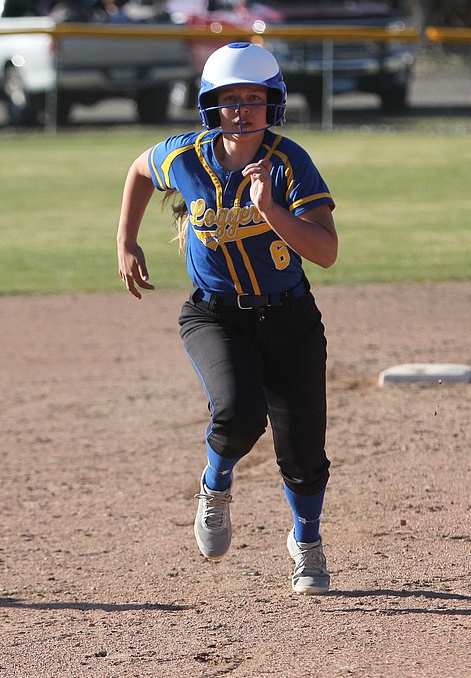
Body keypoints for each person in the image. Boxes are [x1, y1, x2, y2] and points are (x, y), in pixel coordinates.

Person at [116, 42, 339, 595]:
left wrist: (271, 210)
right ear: (209, 106)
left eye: (254, 99)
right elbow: (140, 169)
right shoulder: (187, 156)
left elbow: (326, 251)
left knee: (303, 451)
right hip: (215, 316)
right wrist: (126, 241)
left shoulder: (290, 163)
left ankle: (305, 544)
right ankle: (214, 488)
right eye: (229, 99)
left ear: (274, 104)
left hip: (291, 319)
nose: (241, 110)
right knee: (238, 416)